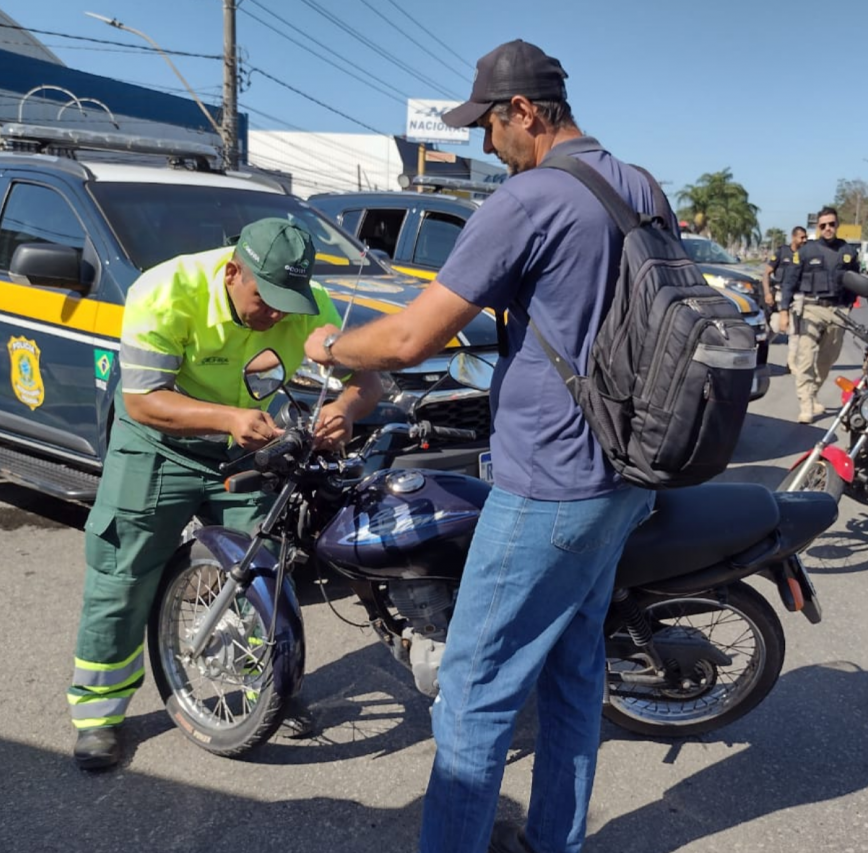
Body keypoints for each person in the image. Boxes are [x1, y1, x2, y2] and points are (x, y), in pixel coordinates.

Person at [302, 39, 659, 853]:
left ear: (525, 112)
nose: (485, 146)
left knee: (472, 691)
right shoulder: (639, 184)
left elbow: (407, 339)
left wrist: (329, 347)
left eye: (489, 127)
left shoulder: (532, 198)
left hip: (550, 480)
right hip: (624, 472)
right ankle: (554, 840)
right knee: (573, 669)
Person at [68, 218, 381, 771]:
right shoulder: (164, 292)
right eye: (267, 300)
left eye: (290, 301)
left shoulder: (309, 302)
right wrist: (226, 417)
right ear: (233, 271)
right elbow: (142, 401)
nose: (279, 315)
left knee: (261, 575)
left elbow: (367, 378)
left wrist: (345, 409)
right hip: (158, 443)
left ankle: (266, 691)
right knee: (124, 571)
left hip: (251, 445)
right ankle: (99, 713)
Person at [778, 207, 860, 424]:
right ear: (817, 227)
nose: (827, 229)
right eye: (823, 225)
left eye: (831, 224)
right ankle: (805, 403)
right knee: (806, 356)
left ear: (837, 225)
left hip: (838, 312)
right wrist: (784, 310)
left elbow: (856, 281)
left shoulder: (848, 251)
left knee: (827, 360)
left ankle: (813, 392)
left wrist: (849, 306)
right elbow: (789, 282)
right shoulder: (806, 252)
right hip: (811, 308)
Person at [763, 225, 808, 347]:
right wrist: (767, 293)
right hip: (780, 294)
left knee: (795, 332)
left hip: (798, 295)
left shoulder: (805, 255)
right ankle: (761, 354)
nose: (804, 240)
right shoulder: (782, 252)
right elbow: (767, 273)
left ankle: (791, 364)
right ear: (793, 237)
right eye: (801, 237)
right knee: (775, 327)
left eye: (806, 238)